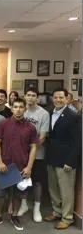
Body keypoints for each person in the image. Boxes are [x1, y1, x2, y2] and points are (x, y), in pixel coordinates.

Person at [0, 98, 38, 231]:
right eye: (16, 106)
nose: (18, 109)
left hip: (21, 166)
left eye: (21, 107)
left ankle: (14, 216)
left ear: (25, 108)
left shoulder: (30, 127)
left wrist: (29, 167)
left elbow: (33, 147)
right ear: (12, 108)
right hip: (5, 165)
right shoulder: (3, 123)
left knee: (17, 195)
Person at [44, 88, 82, 229]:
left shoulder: (73, 116)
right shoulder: (50, 113)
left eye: (61, 97)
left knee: (66, 191)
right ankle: (57, 211)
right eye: (55, 98)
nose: (58, 100)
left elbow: (78, 142)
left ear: (67, 99)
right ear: (52, 99)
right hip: (52, 158)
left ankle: (67, 217)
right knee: (53, 189)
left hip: (65, 161)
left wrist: (71, 161)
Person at [17, 87, 50, 222]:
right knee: (22, 180)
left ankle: (37, 208)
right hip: (21, 154)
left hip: (38, 154)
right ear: (25, 96)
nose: (30, 98)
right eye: (28, 95)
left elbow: (42, 137)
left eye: (33, 95)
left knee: (37, 182)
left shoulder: (43, 114)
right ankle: (24, 204)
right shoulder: (21, 111)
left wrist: (31, 151)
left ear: (37, 98)